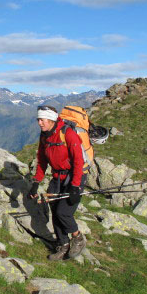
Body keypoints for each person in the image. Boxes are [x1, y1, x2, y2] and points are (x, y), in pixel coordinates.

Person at [28, 105, 87, 260]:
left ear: (52, 119)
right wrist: (36, 183)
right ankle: (63, 244)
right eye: (38, 119)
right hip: (57, 177)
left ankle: (78, 238)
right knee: (55, 211)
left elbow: (78, 161)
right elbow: (41, 160)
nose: (39, 123)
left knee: (63, 212)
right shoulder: (44, 136)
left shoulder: (67, 134)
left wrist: (75, 186)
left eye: (42, 120)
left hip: (75, 176)